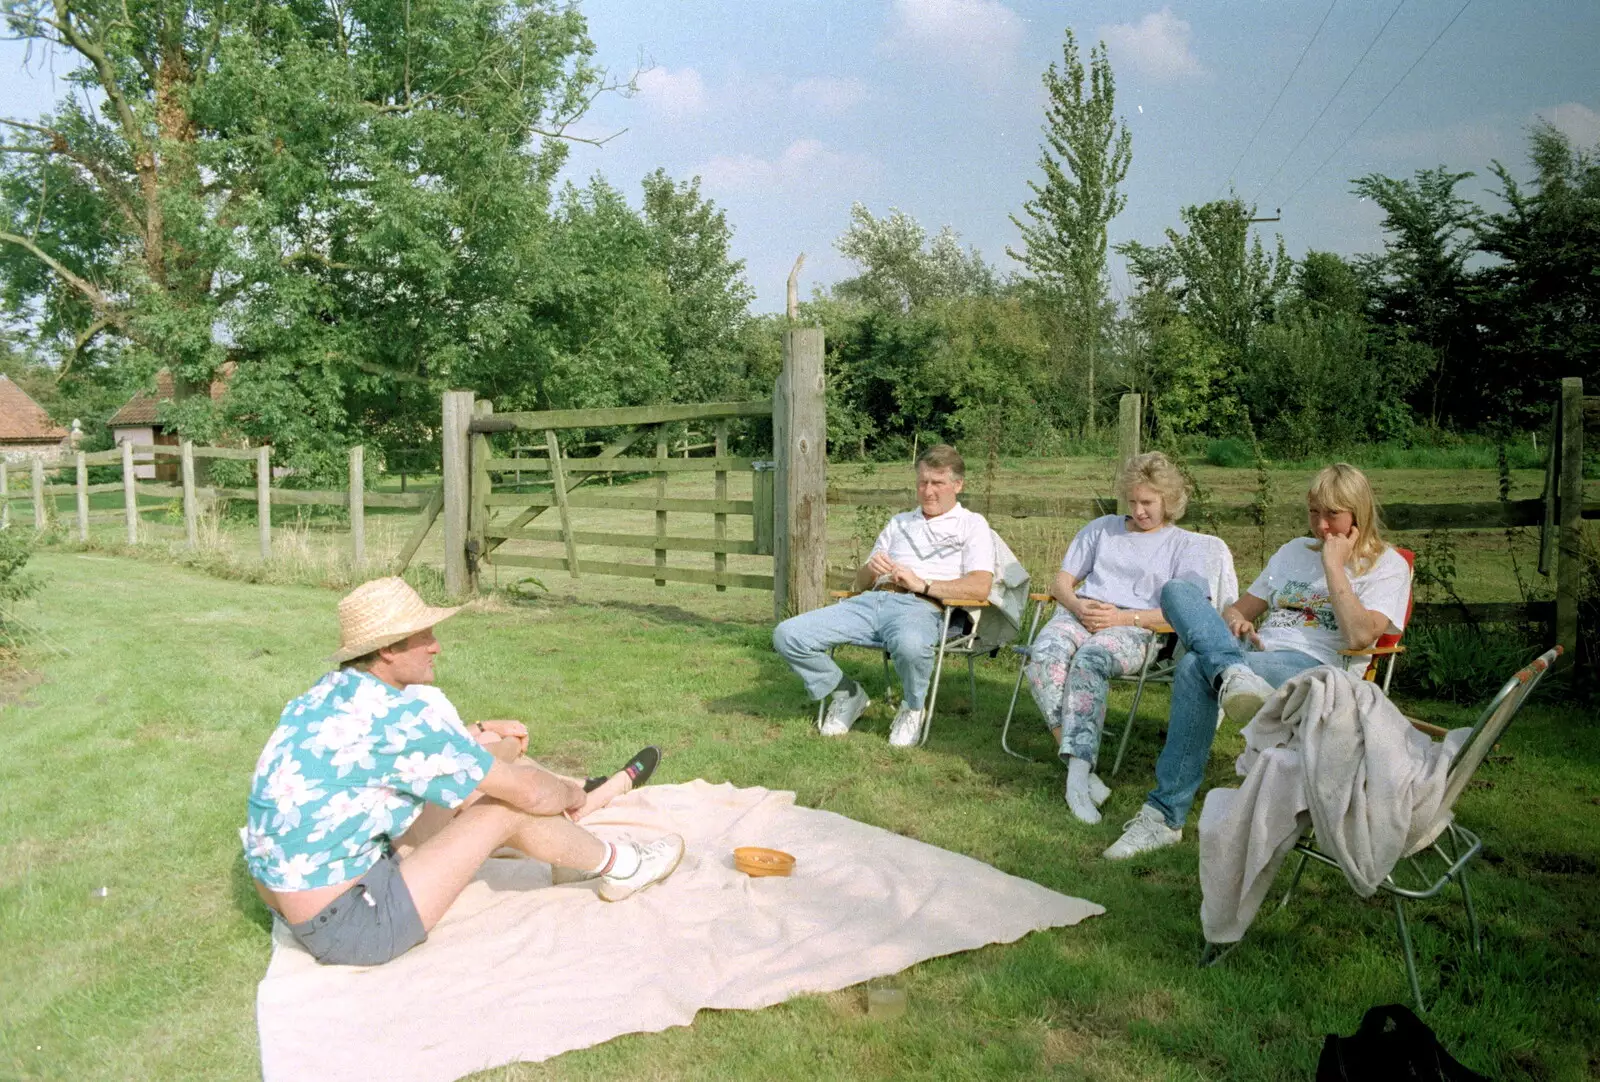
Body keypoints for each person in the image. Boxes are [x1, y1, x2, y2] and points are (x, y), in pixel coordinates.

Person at [241, 577, 684, 967]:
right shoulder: (398, 720)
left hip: (295, 896)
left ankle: (571, 856)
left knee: (489, 786)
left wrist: (493, 743)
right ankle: (623, 866)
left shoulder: (330, 695)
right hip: (350, 924)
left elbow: (446, 760)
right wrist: (572, 795)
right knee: (505, 808)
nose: (436, 646)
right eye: (424, 637)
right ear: (389, 650)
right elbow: (526, 794)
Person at [1103, 463, 1411, 860]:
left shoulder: (1388, 566)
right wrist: (1238, 622)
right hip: (1256, 654)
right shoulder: (1293, 552)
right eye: (1314, 513)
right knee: (1177, 591)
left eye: (1332, 515)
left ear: (1358, 513)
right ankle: (1233, 672)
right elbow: (1237, 610)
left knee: (1195, 667)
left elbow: (1359, 636)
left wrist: (1335, 566)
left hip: (1316, 670)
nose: (1320, 526)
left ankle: (1163, 817)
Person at [1022, 452, 1212, 825]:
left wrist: (1121, 617)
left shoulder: (1185, 546)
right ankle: (1082, 769)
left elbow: (1191, 610)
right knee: (1044, 654)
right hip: (1083, 611)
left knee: (1089, 660)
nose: (1139, 511)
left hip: (1139, 627)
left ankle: (1076, 780)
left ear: (1168, 501)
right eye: (1133, 501)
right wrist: (1077, 605)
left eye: (1149, 503)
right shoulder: (1101, 529)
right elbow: (1060, 583)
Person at [772, 444, 994, 747]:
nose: (928, 491)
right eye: (922, 482)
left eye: (938, 483)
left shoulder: (972, 525)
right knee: (789, 634)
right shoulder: (899, 522)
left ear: (957, 485)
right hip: (870, 601)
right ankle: (847, 694)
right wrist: (870, 569)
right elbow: (860, 582)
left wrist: (923, 584)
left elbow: (980, 586)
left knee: (910, 645)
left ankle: (913, 708)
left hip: (921, 607)